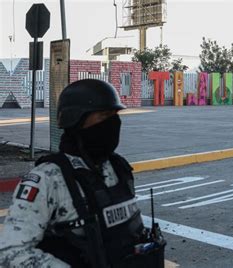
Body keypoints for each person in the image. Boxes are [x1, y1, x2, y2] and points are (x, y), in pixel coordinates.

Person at [0, 79, 165, 267]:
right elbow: (11, 253)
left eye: (114, 115)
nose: (113, 123)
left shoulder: (118, 167)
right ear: (76, 119)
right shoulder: (47, 179)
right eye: (104, 116)